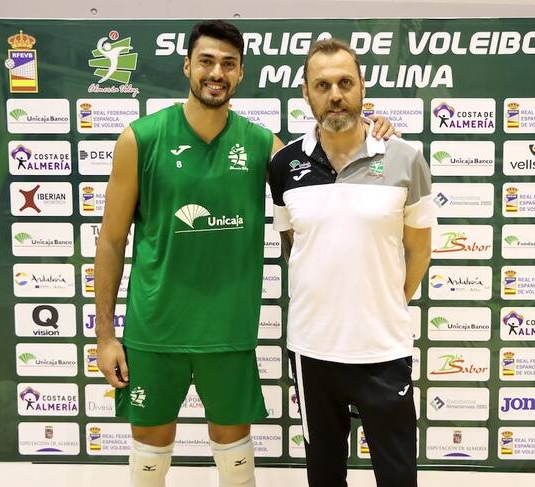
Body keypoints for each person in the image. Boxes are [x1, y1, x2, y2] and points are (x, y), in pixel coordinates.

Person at [95, 21, 396, 487]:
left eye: (228, 64)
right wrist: (104, 336)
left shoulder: (262, 146)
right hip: (153, 330)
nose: (217, 73)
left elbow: (325, 166)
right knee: (150, 452)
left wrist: (371, 130)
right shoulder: (141, 138)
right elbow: (112, 241)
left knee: (234, 456)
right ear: (187, 66)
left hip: (229, 332)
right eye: (207, 61)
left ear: (240, 74)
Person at [269, 38, 435, 487]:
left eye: (345, 83)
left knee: (398, 477)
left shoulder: (405, 158)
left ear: (362, 87)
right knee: (324, 475)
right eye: (322, 85)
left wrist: (387, 302)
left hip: (383, 350)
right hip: (312, 350)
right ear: (306, 93)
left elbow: (419, 249)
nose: (335, 95)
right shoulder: (284, 165)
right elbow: (292, 244)